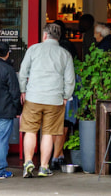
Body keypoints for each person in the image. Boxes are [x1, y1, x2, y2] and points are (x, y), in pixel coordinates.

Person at [18, 23, 75, 178]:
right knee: (48, 133)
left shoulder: (33, 49)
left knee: (30, 130)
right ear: (59, 37)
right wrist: (65, 96)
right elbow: (70, 80)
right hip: (55, 100)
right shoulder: (65, 54)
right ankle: (43, 167)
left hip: (33, 97)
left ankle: (28, 162)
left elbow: (23, 73)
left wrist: (23, 90)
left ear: (44, 35)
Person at [0, 41, 21, 179]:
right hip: (5, 111)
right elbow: (15, 93)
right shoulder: (9, 70)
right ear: (7, 54)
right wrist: (18, 110)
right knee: (2, 141)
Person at [50, 20, 75, 170]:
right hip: (65, 92)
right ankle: (56, 155)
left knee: (52, 126)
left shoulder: (46, 50)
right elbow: (71, 76)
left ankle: (55, 155)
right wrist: (67, 95)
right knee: (64, 124)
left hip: (50, 92)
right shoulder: (68, 48)